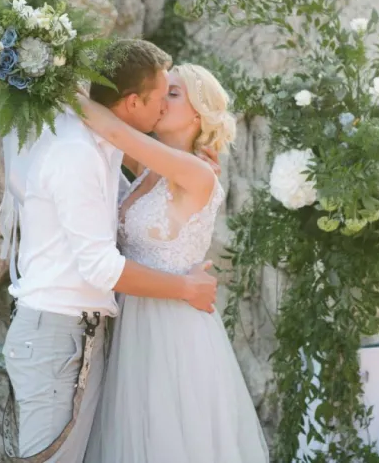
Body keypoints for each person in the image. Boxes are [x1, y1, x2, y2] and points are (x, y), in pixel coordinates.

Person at [0, 40, 219, 463]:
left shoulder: (112, 153)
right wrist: (186, 289)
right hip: (59, 330)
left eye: (175, 94)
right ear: (134, 100)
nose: (162, 106)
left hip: (105, 333)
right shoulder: (79, 151)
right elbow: (101, 264)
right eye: (161, 95)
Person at [79, 63, 270, 463]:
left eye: (174, 92)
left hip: (174, 330)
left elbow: (113, 130)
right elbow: (110, 127)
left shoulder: (198, 172)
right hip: (133, 320)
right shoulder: (148, 168)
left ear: (199, 113)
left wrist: (60, 87)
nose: (162, 96)